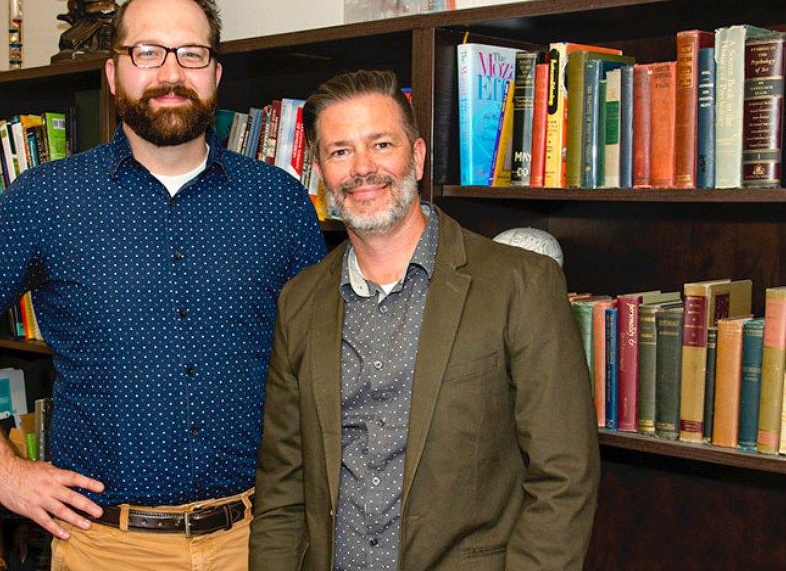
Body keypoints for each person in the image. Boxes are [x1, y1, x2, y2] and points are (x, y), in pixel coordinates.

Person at [0, 0, 326, 570]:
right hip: (107, 547)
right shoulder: (48, 198)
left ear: (215, 74)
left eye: (192, 54)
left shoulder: (279, 201)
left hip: (260, 541)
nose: (171, 73)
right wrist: (3, 472)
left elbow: (326, 357)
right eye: (147, 53)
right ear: (113, 73)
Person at [249, 69, 600, 571]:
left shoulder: (521, 285)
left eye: (381, 143)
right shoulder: (300, 302)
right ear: (321, 172)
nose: (362, 168)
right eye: (340, 151)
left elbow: (565, 477)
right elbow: (283, 487)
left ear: (416, 156)